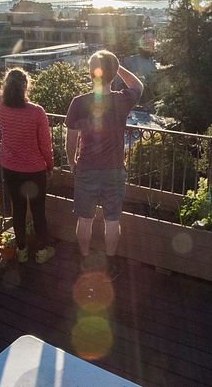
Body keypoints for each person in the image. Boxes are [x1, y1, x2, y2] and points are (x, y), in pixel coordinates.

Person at [65, 50, 143, 278]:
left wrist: (72, 163)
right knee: (112, 219)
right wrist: (116, 67)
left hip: (86, 168)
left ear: (91, 73)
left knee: (85, 218)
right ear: (112, 74)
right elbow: (138, 85)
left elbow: (71, 140)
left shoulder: (79, 103)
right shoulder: (122, 100)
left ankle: (84, 259)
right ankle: (110, 263)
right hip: (114, 169)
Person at [0, 68, 55, 264]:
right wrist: (50, 165)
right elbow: (45, 143)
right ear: (26, 87)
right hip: (34, 170)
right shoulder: (37, 112)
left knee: (17, 210)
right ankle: (42, 251)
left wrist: (5, 87)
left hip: (10, 167)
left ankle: (21, 250)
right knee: (38, 211)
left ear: (6, 86)